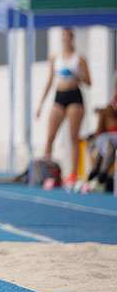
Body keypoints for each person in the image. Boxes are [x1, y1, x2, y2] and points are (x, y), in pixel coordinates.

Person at [36, 27, 91, 182]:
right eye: (64, 37)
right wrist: (41, 104)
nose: (66, 40)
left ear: (72, 38)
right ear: (62, 39)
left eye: (68, 37)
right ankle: (46, 171)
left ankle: (72, 174)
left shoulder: (79, 59)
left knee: (73, 137)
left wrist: (79, 76)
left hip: (74, 96)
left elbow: (89, 81)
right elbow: (49, 82)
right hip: (59, 96)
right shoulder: (55, 58)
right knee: (50, 136)